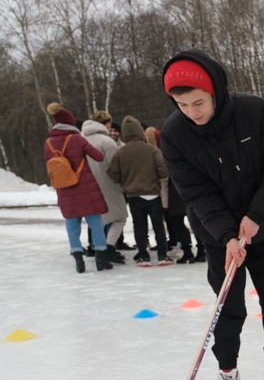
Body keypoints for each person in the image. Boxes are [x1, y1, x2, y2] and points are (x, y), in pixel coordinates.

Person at [161, 50, 264, 380]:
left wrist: (258, 216)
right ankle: (227, 374)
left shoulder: (253, 111)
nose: (192, 112)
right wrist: (228, 234)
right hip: (218, 238)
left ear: (216, 91)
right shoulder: (174, 134)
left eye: (198, 102)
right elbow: (195, 191)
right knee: (228, 308)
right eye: (182, 104)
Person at [43, 103, 113, 273]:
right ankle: (101, 259)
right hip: (85, 186)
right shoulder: (77, 138)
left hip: (64, 188)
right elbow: (98, 156)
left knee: (71, 223)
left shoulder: (49, 143)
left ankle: (78, 260)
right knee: (95, 222)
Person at [107, 116, 172, 267]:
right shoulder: (152, 149)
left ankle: (144, 256)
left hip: (133, 195)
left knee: (139, 226)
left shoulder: (120, 152)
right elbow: (163, 171)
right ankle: (162, 255)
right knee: (158, 225)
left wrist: (124, 181)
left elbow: (112, 173)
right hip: (153, 194)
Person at [82, 111, 129, 263]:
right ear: (107, 123)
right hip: (108, 183)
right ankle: (108, 247)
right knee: (120, 217)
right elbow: (115, 167)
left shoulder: (81, 139)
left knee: (98, 219)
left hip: (88, 184)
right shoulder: (107, 142)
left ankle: (97, 247)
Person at [145, 126, 195, 263]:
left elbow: (163, 175)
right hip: (185, 190)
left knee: (178, 222)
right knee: (193, 221)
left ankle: (187, 250)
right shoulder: (176, 149)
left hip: (173, 193)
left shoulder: (160, 154)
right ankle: (200, 249)